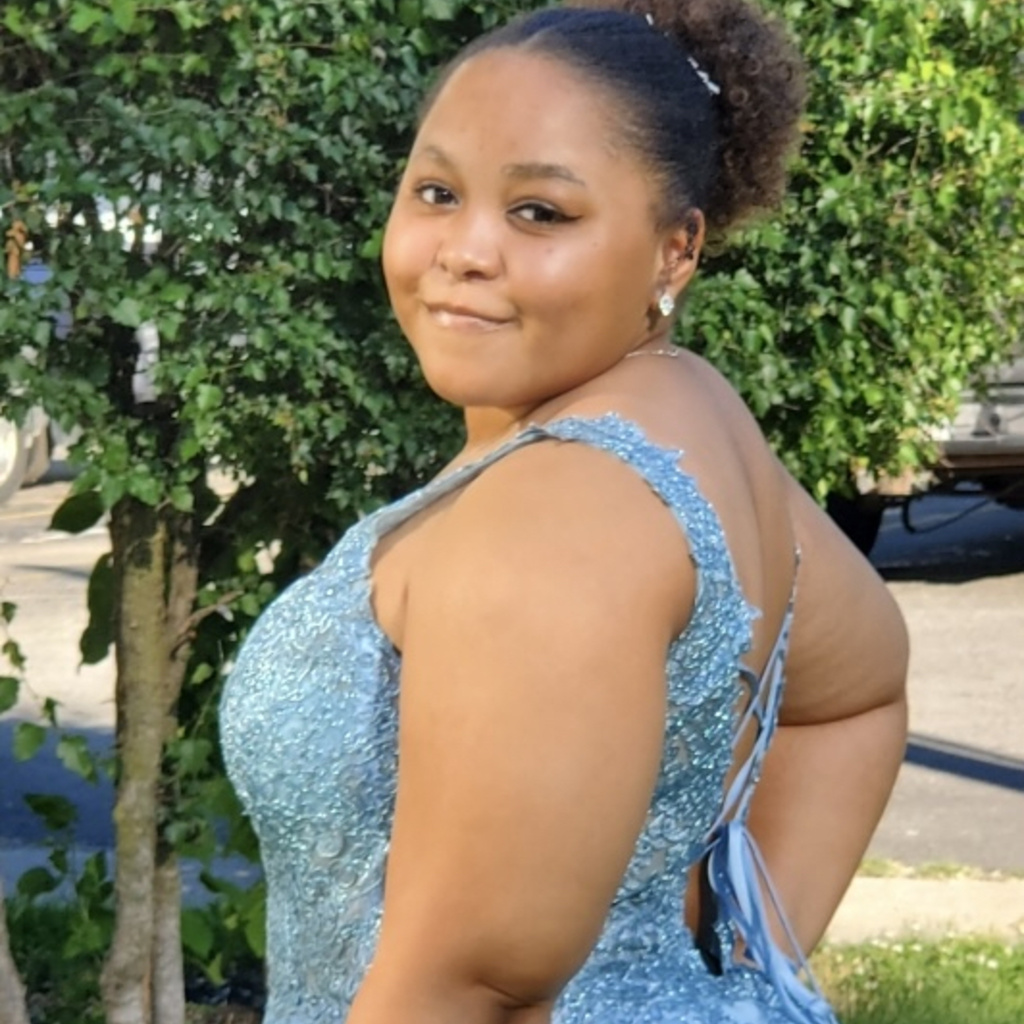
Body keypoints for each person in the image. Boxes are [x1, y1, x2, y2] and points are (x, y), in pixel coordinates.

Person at [219, 2, 910, 1022]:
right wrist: (721, 992)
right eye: (437, 192)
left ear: (675, 251)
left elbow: (473, 987)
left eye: (539, 212)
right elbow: (853, 695)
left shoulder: (562, 504)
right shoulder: (684, 414)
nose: (464, 249)